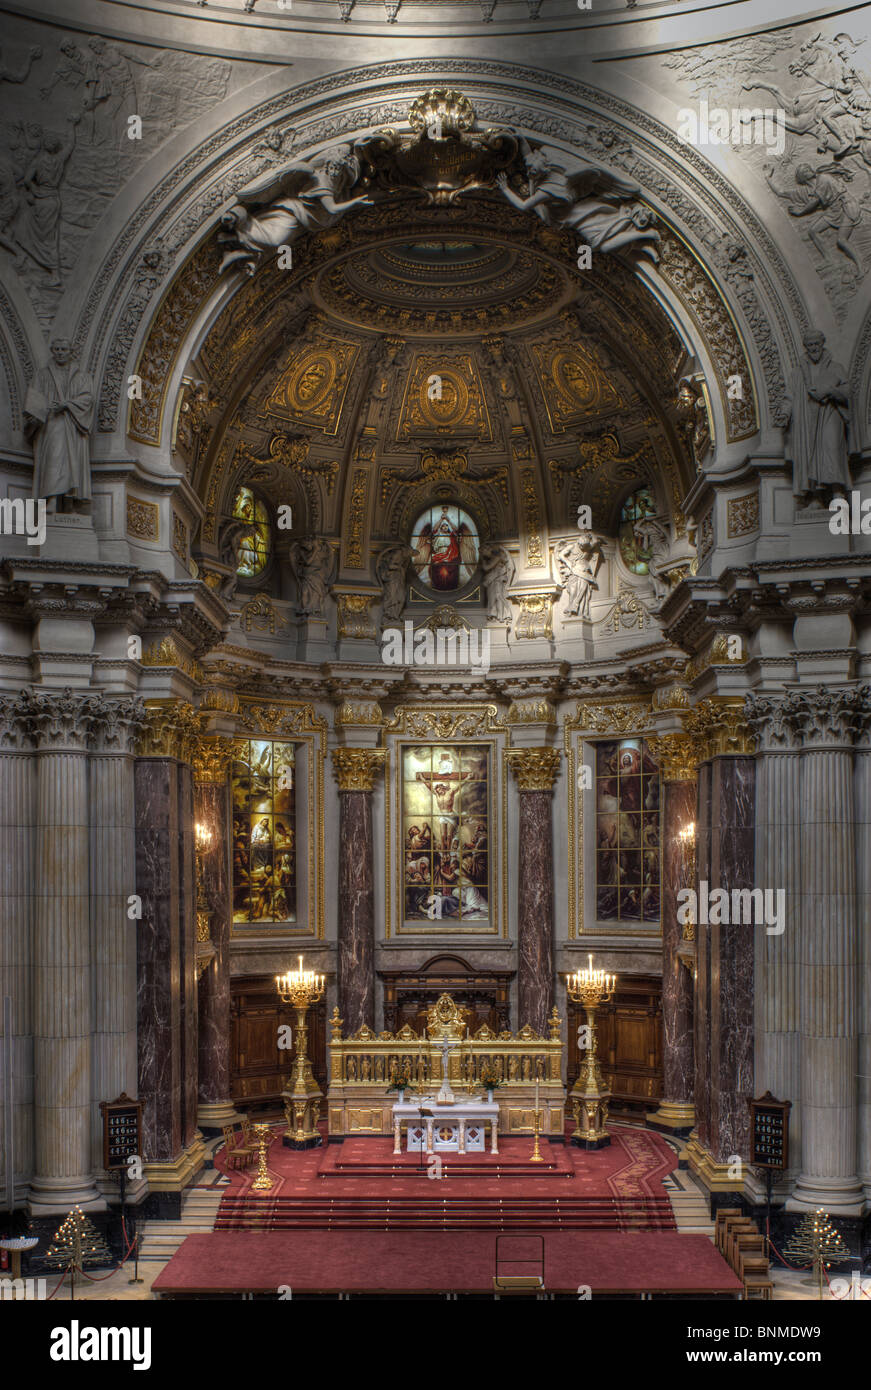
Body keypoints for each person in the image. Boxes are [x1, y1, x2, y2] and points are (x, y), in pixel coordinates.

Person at [24, 338, 93, 511]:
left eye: (64, 349)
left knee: (72, 463)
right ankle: (52, 499)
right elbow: (34, 400)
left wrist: (67, 404)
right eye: (57, 349)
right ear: (52, 351)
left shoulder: (81, 376)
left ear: (71, 352)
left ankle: (68, 502)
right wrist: (35, 415)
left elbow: (87, 398)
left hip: (72, 425)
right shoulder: (42, 375)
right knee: (54, 459)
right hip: (51, 423)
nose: (60, 352)